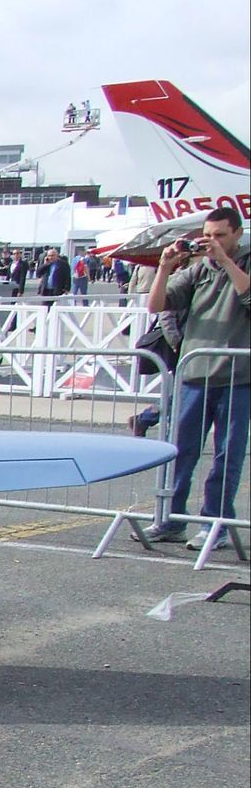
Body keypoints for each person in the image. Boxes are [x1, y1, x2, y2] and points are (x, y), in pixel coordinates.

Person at [135, 206, 251, 548]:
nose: (211, 242)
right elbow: (156, 305)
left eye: (220, 236)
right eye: (208, 235)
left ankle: (214, 522)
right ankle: (170, 519)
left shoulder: (243, 262)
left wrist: (227, 263)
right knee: (181, 451)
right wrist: (165, 268)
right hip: (194, 374)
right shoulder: (199, 270)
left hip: (237, 377)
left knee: (226, 455)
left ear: (237, 235)